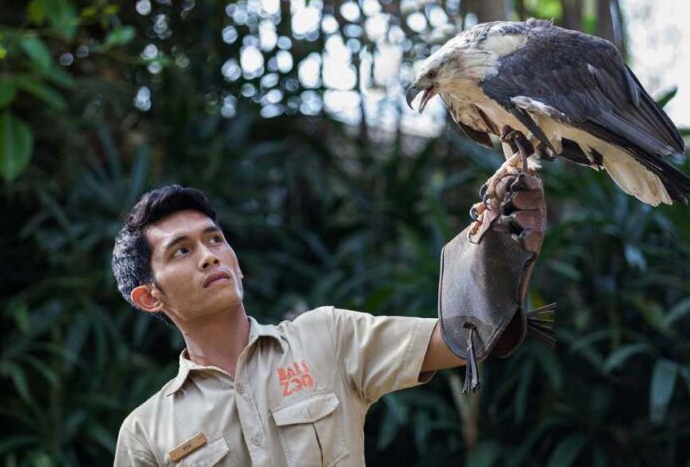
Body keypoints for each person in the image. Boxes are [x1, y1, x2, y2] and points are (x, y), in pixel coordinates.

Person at [111, 176, 545, 466]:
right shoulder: (146, 433)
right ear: (149, 297)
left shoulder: (326, 338)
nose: (209, 255)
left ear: (238, 264)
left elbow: (471, 338)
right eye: (181, 251)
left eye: (215, 239)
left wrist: (505, 252)